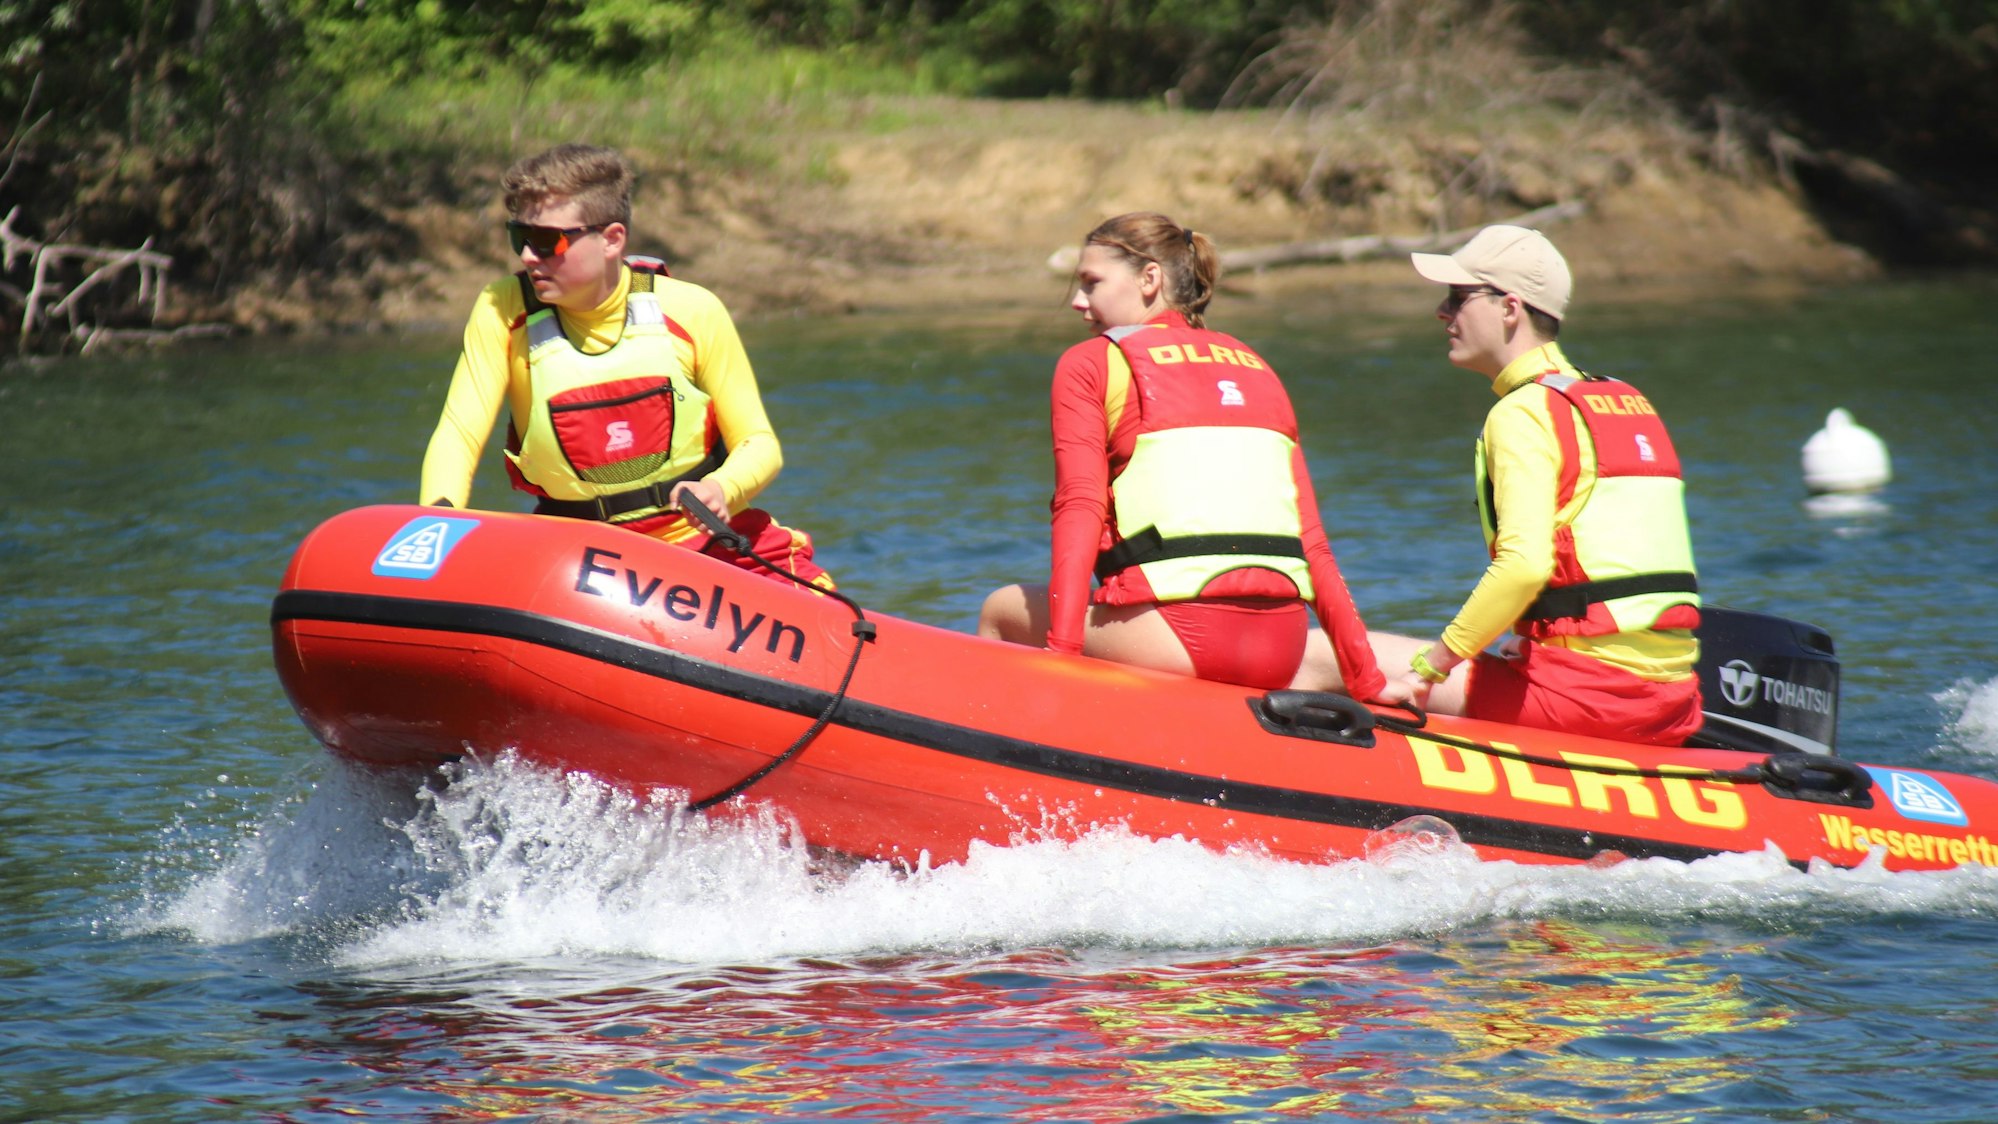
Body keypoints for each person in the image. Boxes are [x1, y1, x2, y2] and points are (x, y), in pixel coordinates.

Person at [978, 211, 1408, 702]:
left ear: (1149, 279)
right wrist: (1366, 681)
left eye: (1091, 283)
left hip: (1183, 640)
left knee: (1002, 608)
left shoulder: (1090, 363)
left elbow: (1079, 507)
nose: (1079, 301)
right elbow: (1313, 544)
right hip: (1279, 648)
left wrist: (1063, 655)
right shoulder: (1256, 367)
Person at [419, 143, 832, 588]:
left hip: (699, 541)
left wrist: (720, 489)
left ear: (612, 239)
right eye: (520, 238)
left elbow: (758, 442)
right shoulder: (501, 310)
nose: (527, 257)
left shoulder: (693, 310)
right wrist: (437, 527)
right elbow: (458, 436)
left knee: (837, 619)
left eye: (546, 241)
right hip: (575, 556)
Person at [1362, 223, 1703, 744]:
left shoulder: (1523, 412)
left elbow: (1523, 567)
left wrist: (1427, 670)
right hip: (1672, 702)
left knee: (1327, 654)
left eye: (1458, 297)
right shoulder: (1625, 400)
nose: (1443, 313)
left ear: (1509, 308)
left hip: (1587, 700)